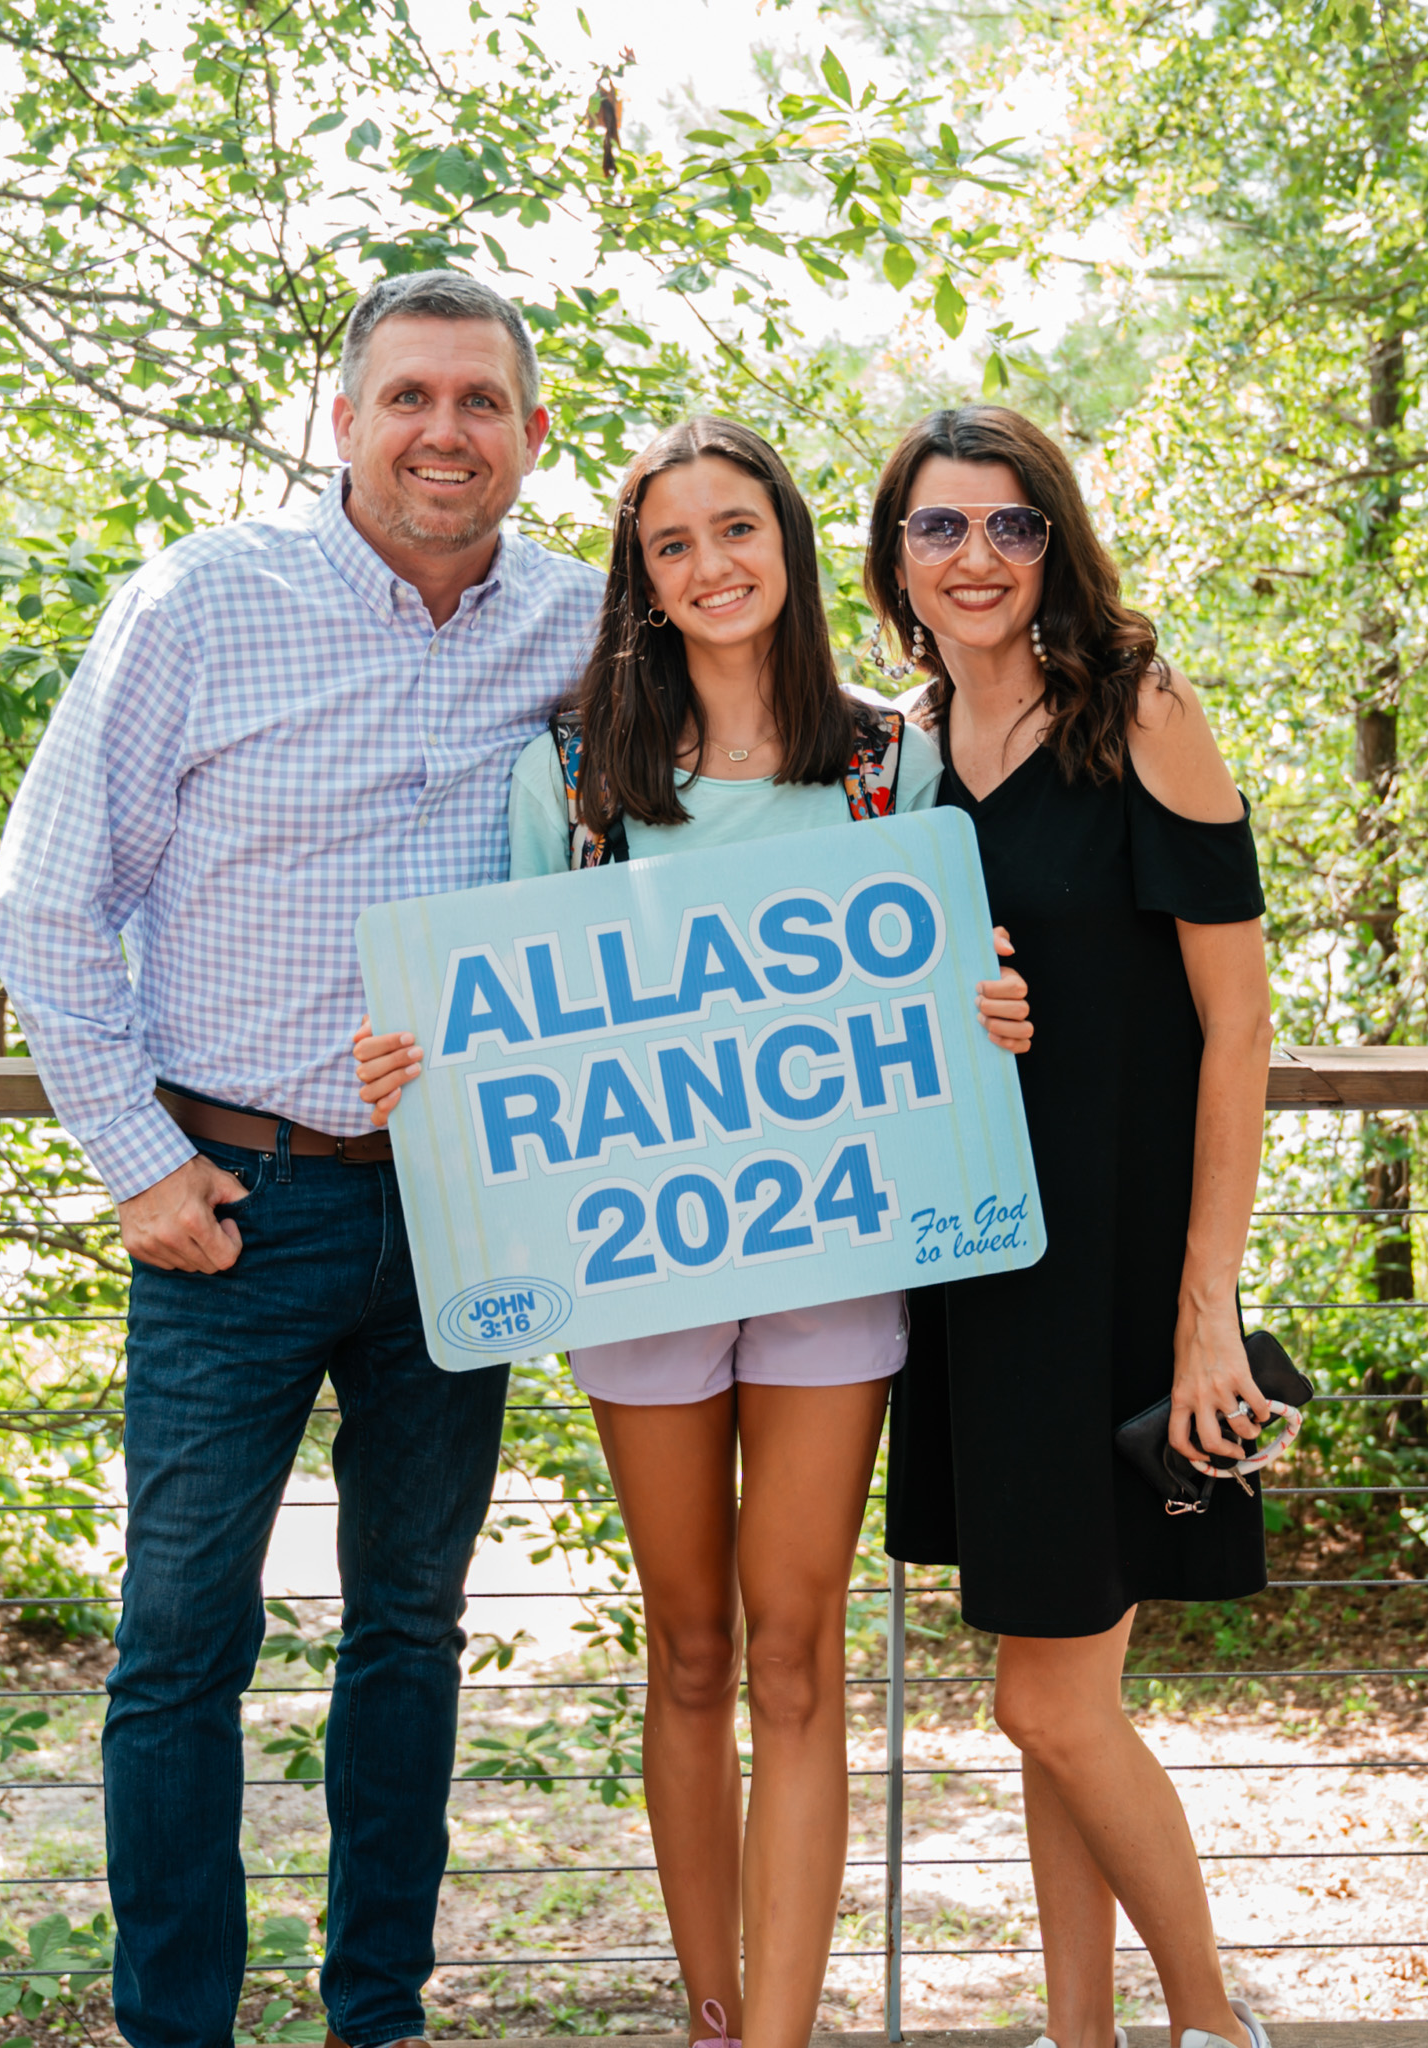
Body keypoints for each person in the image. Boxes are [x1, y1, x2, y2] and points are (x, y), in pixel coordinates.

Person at [351, 415, 1030, 2048]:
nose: (711, 564)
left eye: (739, 530)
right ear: (642, 581)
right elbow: (501, 1030)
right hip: (636, 1270)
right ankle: (713, 2015)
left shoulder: (891, 766)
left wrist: (989, 1008)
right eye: (672, 544)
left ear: (789, 548)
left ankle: (779, 2040)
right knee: (692, 1651)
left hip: (836, 1256)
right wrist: (416, 1060)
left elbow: (945, 994)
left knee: (799, 1656)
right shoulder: (572, 772)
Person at [0, 270, 603, 2048]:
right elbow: (48, 902)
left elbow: (771, 738)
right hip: (228, 1207)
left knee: (410, 1628)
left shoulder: (583, 625)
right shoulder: (198, 602)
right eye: (409, 397)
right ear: (343, 422)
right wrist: (135, 1163)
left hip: (460, 1206)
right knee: (181, 1640)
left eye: (482, 403)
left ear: (531, 436)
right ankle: (177, 2029)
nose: (444, 432)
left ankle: (376, 2021)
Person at [866, 406, 1278, 2048]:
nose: (975, 557)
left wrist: (1207, 1313)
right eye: (938, 527)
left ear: (1059, 543)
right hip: (973, 1261)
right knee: (1057, 1700)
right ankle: (1080, 2034)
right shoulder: (894, 753)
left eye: (1011, 526)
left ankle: (1211, 2028)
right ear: (894, 556)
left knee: (1047, 1694)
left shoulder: (1145, 716)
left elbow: (1237, 1028)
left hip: (1118, 1267)